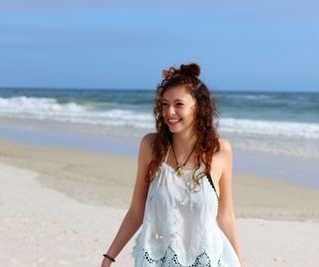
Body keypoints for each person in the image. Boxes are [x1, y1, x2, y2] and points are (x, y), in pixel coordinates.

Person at [101, 63, 244, 267]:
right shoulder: (151, 147)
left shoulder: (220, 151)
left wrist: (241, 263)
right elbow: (136, 211)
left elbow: (226, 216)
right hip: (158, 260)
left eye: (179, 104)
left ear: (199, 107)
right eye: (165, 104)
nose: (169, 112)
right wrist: (109, 258)